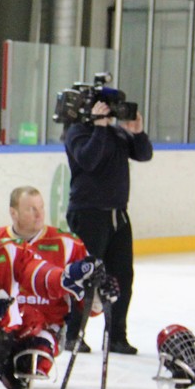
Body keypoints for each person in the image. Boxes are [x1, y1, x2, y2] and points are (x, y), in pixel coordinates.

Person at [0, 207, 97, 389]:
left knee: (32, 330)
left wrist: (63, 278)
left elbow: (37, 271)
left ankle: (6, 361)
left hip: (6, 333)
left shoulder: (12, 251)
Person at [64, 100, 152, 354]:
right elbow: (88, 160)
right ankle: (73, 334)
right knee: (84, 275)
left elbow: (144, 154)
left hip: (118, 215)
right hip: (88, 213)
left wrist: (137, 132)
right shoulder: (78, 132)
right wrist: (99, 128)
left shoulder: (116, 133)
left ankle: (116, 336)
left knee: (123, 276)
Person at [0, 185, 89, 351]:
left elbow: (86, 296)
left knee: (35, 361)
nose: (39, 214)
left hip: (48, 326)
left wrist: (96, 296)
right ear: (13, 213)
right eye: (31, 209)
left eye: (41, 207)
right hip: (3, 325)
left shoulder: (67, 243)